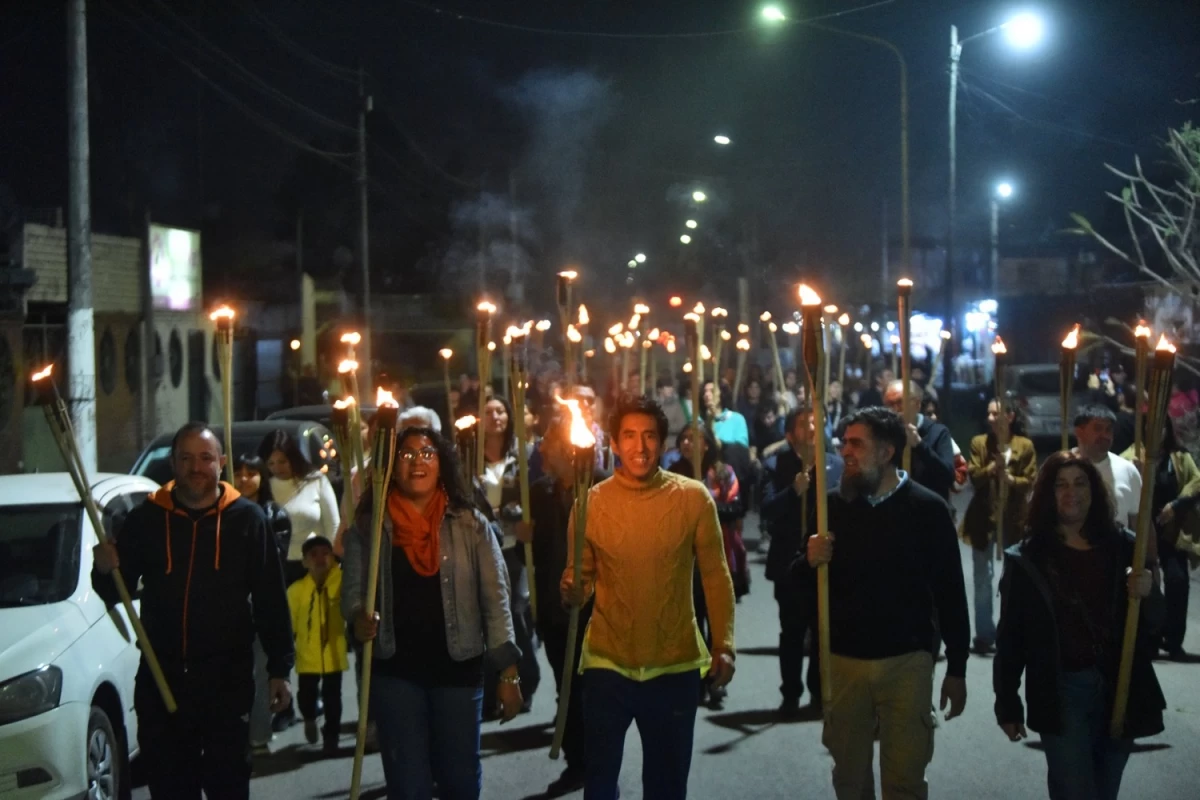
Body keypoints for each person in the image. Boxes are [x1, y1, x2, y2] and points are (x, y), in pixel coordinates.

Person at [92, 423, 294, 800]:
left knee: (228, 786)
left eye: (204, 458)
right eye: (186, 458)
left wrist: (280, 669)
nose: (195, 467)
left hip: (226, 683)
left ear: (220, 463)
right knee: (171, 789)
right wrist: (104, 568)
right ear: (173, 464)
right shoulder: (147, 520)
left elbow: (270, 598)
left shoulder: (248, 520)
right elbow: (113, 590)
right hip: (161, 680)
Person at [561, 395, 736, 800]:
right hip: (608, 661)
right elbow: (581, 577)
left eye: (649, 436)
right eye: (629, 436)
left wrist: (724, 644)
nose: (639, 447)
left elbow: (715, 575)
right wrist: (571, 589)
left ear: (662, 442)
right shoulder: (589, 503)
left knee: (667, 786)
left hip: (674, 665)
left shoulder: (692, 498)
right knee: (600, 784)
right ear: (615, 444)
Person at [344, 426, 522, 800]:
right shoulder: (370, 526)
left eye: (427, 453)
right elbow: (353, 592)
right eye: (406, 455)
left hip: (458, 670)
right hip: (396, 672)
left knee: (459, 779)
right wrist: (359, 616)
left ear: (442, 463)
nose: (417, 463)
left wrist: (508, 674)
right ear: (391, 466)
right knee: (409, 786)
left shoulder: (471, 524)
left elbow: (496, 600)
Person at [802, 407, 969, 800]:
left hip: (907, 662)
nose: (845, 452)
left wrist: (957, 668)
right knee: (850, 779)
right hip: (844, 662)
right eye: (844, 443)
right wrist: (808, 560)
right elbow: (803, 586)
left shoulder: (927, 509)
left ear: (887, 451)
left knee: (905, 781)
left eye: (857, 444)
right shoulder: (831, 508)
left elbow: (950, 592)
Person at [994, 451, 1165, 800]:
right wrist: (1007, 702)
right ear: (1048, 495)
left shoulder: (1125, 549)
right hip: (1062, 690)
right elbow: (1011, 637)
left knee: (1104, 790)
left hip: (1120, 686)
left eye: (1080, 482)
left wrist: (1148, 593)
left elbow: (1153, 627)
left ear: (1094, 490)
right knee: (1075, 791)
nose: (1071, 492)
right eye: (1060, 485)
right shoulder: (1028, 559)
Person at [517, 411, 609, 796]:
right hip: (556, 608)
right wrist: (524, 538)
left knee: (597, 689)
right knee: (566, 686)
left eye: (550, 443)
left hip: (599, 609)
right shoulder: (538, 493)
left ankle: (603, 764)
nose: (542, 449)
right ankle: (577, 761)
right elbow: (532, 555)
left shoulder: (604, 489)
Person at [762, 406, 843, 716]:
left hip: (825, 560)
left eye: (816, 420)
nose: (811, 426)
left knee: (823, 629)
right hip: (789, 562)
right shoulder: (774, 465)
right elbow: (768, 510)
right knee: (792, 631)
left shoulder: (835, 465)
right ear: (789, 434)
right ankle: (790, 693)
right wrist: (794, 491)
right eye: (803, 422)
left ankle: (819, 692)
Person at [479, 395, 540, 711]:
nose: (495, 417)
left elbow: (534, 495)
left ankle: (526, 681)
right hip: (485, 548)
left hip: (514, 547)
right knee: (487, 618)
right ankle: (493, 688)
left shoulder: (522, 456)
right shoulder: (470, 460)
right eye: (487, 411)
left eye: (500, 410)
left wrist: (514, 511)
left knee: (516, 612)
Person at [962, 400, 1037, 653]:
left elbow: (1030, 480)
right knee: (983, 578)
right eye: (989, 413)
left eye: (997, 413)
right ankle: (984, 634)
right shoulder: (979, 443)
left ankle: (1012, 629)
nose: (991, 418)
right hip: (984, 520)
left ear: (1010, 416)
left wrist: (1010, 478)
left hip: (1013, 521)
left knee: (1014, 577)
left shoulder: (1024, 446)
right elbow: (974, 475)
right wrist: (993, 467)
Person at [1121, 418, 1200, 659]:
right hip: (1144, 528)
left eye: (1162, 427)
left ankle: (1174, 639)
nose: (1158, 432)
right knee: (1148, 582)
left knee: (1177, 581)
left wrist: (1175, 505)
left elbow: (1196, 481)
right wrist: (1136, 471)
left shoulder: (1179, 457)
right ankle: (1150, 637)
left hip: (1172, 528)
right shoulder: (1131, 456)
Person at [233, 452, 293, 752]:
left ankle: (258, 735)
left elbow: (274, 561)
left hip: (260, 603)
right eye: (237, 472)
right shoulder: (223, 513)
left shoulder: (274, 515)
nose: (244, 478)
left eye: (250, 472)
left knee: (259, 671)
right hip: (230, 607)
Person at [287, 535, 347, 754]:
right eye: (314, 555)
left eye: (326, 553)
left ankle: (332, 737)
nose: (321, 559)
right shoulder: (296, 591)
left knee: (333, 697)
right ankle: (310, 718)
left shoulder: (342, 582)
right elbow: (290, 625)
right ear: (304, 561)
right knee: (307, 694)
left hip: (333, 653)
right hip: (307, 655)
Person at [260, 429, 340, 585]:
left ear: (293, 458)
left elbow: (333, 524)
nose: (277, 468)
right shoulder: (263, 486)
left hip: (313, 565)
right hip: (277, 567)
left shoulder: (315, 481)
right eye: (271, 463)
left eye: (282, 461)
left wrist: (332, 560)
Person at [884, 379, 957, 501]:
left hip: (929, 509)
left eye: (900, 402)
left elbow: (947, 477)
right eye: (889, 404)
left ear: (917, 404)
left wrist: (919, 445)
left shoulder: (937, 432)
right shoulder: (884, 434)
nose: (894, 409)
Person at [1073, 405, 1141, 530]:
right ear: (1079, 432)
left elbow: (1140, 523)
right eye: (1098, 428)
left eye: (1109, 429)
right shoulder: (1060, 468)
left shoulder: (1128, 470)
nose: (1105, 435)